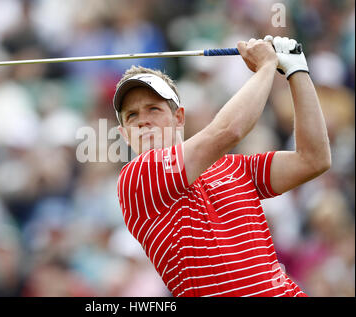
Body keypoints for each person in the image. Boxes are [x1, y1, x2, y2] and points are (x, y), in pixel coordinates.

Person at [114, 36, 331, 297]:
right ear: (124, 133)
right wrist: (266, 67)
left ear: (178, 117)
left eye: (153, 109)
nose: (143, 121)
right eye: (132, 116)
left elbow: (313, 159)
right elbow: (230, 130)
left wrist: (297, 70)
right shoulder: (136, 178)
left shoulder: (233, 166)